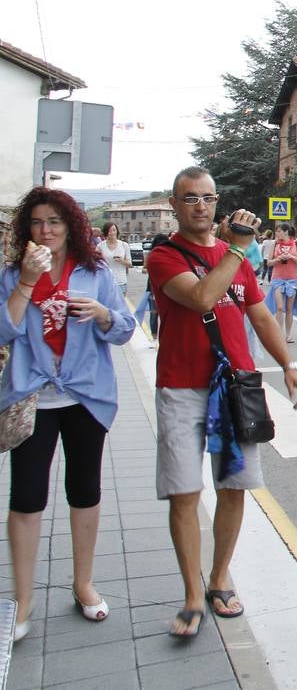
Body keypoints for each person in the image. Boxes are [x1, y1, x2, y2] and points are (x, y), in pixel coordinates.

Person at [146, 166, 297, 638]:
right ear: (174, 205)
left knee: (234, 487)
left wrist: (290, 365)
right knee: (184, 492)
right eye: (190, 198)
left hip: (237, 386)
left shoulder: (230, 255)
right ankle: (193, 595)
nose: (200, 205)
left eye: (208, 197)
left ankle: (219, 579)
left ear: (217, 202)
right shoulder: (164, 257)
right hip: (182, 386)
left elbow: (260, 316)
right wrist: (237, 249)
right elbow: (201, 298)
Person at [1, 188, 136, 641]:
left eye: (55, 221)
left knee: (85, 491)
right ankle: (21, 601)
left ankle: (83, 583)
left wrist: (102, 314)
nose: (46, 230)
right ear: (27, 230)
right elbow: (3, 329)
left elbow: (124, 330)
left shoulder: (94, 272)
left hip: (85, 397)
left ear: (70, 225)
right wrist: (24, 281)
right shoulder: (12, 273)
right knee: (26, 499)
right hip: (32, 399)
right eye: (38, 223)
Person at [265, 223, 297, 343]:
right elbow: (268, 262)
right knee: (279, 307)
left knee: (289, 308)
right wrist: (277, 259)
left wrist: (291, 257)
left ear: (285, 231)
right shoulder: (275, 243)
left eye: (278, 231)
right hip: (277, 278)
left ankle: (288, 335)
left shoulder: (296, 243)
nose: (276, 234)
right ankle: (278, 335)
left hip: (293, 279)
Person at [96, 222, 132, 296]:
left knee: (121, 306)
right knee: (106, 306)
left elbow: (130, 264)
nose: (112, 233)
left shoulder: (124, 245)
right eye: (109, 231)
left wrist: (122, 261)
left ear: (117, 231)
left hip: (121, 282)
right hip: (105, 282)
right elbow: (95, 263)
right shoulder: (100, 246)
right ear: (106, 232)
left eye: (114, 230)